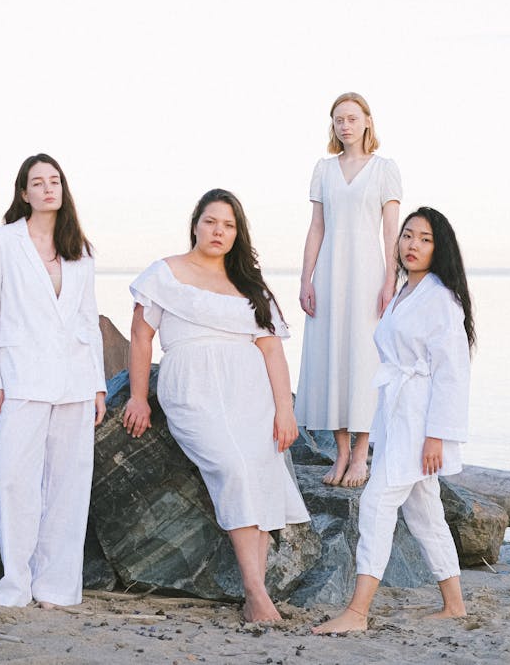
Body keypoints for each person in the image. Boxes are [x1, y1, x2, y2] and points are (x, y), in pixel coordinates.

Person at [122, 189, 309, 623]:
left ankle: (255, 594)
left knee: (261, 473)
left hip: (251, 392)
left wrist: (285, 409)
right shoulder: (164, 273)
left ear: (237, 233)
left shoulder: (250, 287)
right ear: (195, 224)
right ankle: (256, 591)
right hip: (192, 387)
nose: (218, 231)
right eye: (211, 222)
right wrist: (136, 396)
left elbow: (273, 352)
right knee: (233, 466)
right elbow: (140, 336)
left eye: (228, 225)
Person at [312, 206, 474, 633]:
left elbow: (453, 372)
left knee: (377, 501)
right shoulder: (404, 293)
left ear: (438, 248)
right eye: (407, 236)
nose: (412, 245)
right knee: (424, 511)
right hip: (398, 412)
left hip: (421, 420)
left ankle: (357, 612)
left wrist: (437, 436)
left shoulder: (441, 299)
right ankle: (454, 604)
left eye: (424, 238)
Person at [0, 153, 106, 609]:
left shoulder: (81, 249)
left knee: (69, 485)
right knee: (13, 480)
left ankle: (56, 587)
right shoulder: (1, 241)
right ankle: (16, 582)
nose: (48, 188)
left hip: (73, 380)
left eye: (55, 181)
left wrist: (98, 386)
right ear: (24, 192)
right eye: (38, 182)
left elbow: (88, 320)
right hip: (20, 378)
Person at [297, 92, 403, 488]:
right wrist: (306, 278)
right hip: (329, 272)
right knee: (332, 357)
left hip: (367, 272)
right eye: (339, 120)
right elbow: (316, 228)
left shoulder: (384, 169)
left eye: (352, 119)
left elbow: (391, 231)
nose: (345, 126)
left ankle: (362, 454)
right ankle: (340, 453)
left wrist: (390, 278)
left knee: (363, 357)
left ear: (367, 122)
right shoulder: (324, 169)